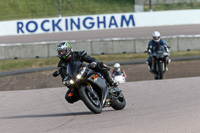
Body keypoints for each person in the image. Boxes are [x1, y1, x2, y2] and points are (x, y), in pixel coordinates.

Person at [52, 41, 118, 104]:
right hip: (75, 79)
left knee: (101, 65)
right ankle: (87, 98)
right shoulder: (61, 64)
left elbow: (91, 59)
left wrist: (93, 62)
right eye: (60, 52)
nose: (61, 53)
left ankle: (111, 82)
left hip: (85, 71)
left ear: (68, 50)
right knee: (68, 97)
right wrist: (66, 81)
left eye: (62, 51)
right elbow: (64, 77)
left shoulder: (77, 54)